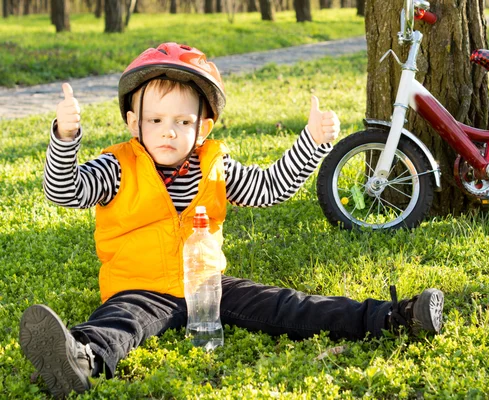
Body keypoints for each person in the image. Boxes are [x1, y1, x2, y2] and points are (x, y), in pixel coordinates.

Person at [19, 42, 445, 399]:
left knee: (287, 305)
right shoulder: (115, 168)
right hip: (140, 289)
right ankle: (81, 357)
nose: (169, 131)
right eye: (155, 120)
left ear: (202, 127)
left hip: (209, 286)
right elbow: (64, 190)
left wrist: (312, 142)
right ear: (134, 123)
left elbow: (270, 187)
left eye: (183, 121)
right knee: (120, 324)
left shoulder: (216, 167)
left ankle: (393, 316)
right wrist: (65, 138)